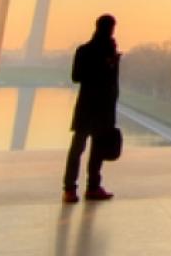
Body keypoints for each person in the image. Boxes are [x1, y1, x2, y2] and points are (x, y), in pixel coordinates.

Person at [62, 14, 120, 203]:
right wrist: (104, 65)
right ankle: (74, 188)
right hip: (92, 106)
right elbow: (77, 76)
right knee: (80, 148)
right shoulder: (89, 51)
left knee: (92, 150)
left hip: (95, 107)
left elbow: (111, 82)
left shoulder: (95, 50)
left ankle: (84, 188)